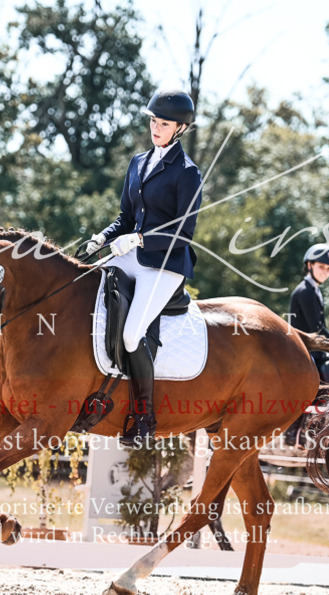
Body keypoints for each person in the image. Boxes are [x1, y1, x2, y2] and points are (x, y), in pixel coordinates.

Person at [85, 89, 202, 446]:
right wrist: (101, 237)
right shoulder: (138, 162)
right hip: (129, 253)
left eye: (164, 123)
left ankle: (143, 417)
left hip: (164, 264)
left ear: (180, 128)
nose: (156, 127)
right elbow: (125, 217)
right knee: (84, 294)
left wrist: (138, 239)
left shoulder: (187, 173)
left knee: (132, 334)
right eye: (153, 120)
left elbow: (183, 233)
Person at [284, 244, 329, 447]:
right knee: (319, 378)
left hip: (311, 347)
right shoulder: (305, 291)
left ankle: (310, 427)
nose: (325, 272)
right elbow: (316, 327)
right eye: (321, 266)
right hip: (301, 349)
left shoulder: (314, 290)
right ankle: (294, 430)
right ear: (309, 265)